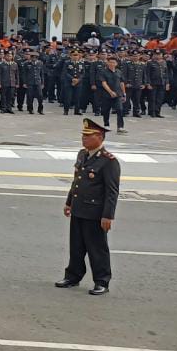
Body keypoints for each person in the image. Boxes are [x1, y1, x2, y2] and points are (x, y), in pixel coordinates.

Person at [56, 119, 120, 296]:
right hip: (78, 208)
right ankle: (73, 276)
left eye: (87, 136)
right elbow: (77, 181)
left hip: (95, 212)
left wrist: (108, 216)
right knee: (76, 247)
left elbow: (111, 191)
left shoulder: (109, 161)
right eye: (83, 136)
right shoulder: (82, 154)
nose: (83, 139)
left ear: (100, 137)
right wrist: (69, 202)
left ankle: (102, 281)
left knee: (97, 248)